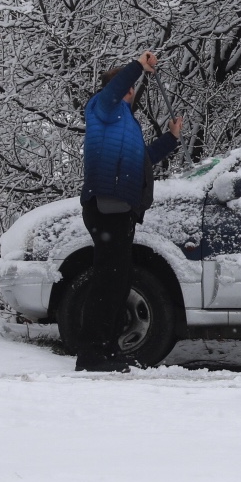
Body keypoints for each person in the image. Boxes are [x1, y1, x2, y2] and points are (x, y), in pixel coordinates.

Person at [76, 50, 182, 372]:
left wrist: (171, 139)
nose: (130, 92)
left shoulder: (124, 124)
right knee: (108, 283)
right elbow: (114, 90)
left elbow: (143, 159)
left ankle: (105, 351)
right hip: (106, 207)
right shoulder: (102, 108)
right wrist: (137, 66)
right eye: (128, 87)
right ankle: (92, 355)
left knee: (118, 283)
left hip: (122, 210)